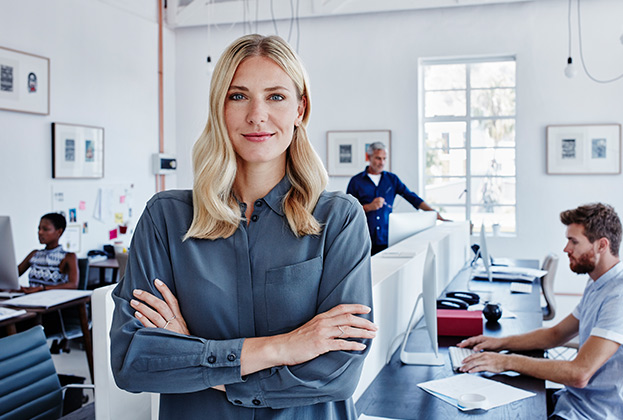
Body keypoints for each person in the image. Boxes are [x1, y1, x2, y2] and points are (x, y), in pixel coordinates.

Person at [110, 34, 376, 419]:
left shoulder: (338, 218)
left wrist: (194, 355)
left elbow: (337, 372)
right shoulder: (165, 218)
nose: (257, 115)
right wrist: (286, 346)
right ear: (219, 107)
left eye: (276, 96)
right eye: (238, 96)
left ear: (300, 108)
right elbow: (133, 361)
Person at [457, 203, 623, 420]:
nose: (566, 249)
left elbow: (580, 374)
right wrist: (499, 343)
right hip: (572, 401)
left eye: (574, 241)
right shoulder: (598, 283)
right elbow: (555, 334)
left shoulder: (618, 295)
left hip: (591, 414)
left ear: (602, 245)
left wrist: (505, 361)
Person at [347, 141, 446, 255]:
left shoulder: (392, 179)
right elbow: (349, 212)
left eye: (384, 158)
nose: (382, 162)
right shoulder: (356, 181)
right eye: (378, 158)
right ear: (368, 157)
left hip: (387, 238)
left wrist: (433, 213)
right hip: (363, 239)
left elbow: (411, 197)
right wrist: (369, 207)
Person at [17, 212, 78, 293]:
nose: (40, 232)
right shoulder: (34, 254)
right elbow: (13, 275)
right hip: (31, 299)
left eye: (45, 229)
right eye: (39, 229)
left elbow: (73, 285)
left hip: (54, 301)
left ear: (59, 232)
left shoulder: (68, 257)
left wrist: (42, 289)